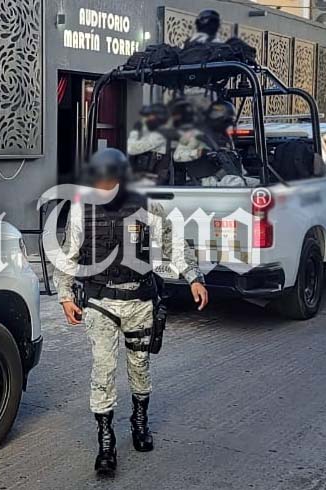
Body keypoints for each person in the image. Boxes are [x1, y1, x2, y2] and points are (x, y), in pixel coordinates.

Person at [54, 148, 209, 476]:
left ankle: (140, 420)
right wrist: (65, 296)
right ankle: (106, 440)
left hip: (139, 301)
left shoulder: (146, 206)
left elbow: (172, 242)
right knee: (103, 370)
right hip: (100, 303)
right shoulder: (83, 208)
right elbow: (69, 253)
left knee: (139, 367)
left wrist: (193, 277)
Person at [174, 101, 255, 187]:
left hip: (226, 177)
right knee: (237, 183)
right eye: (226, 121)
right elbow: (177, 156)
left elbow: (232, 161)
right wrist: (200, 152)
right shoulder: (195, 135)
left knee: (257, 184)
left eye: (230, 121)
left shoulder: (225, 137)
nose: (229, 124)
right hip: (205, 181)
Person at [127, 104, 175, 185]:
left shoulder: (160, 134)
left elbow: (131, 149)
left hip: (153, 180)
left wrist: (134, 132)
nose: (144, 119)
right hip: (148, 177)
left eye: (148, 116)